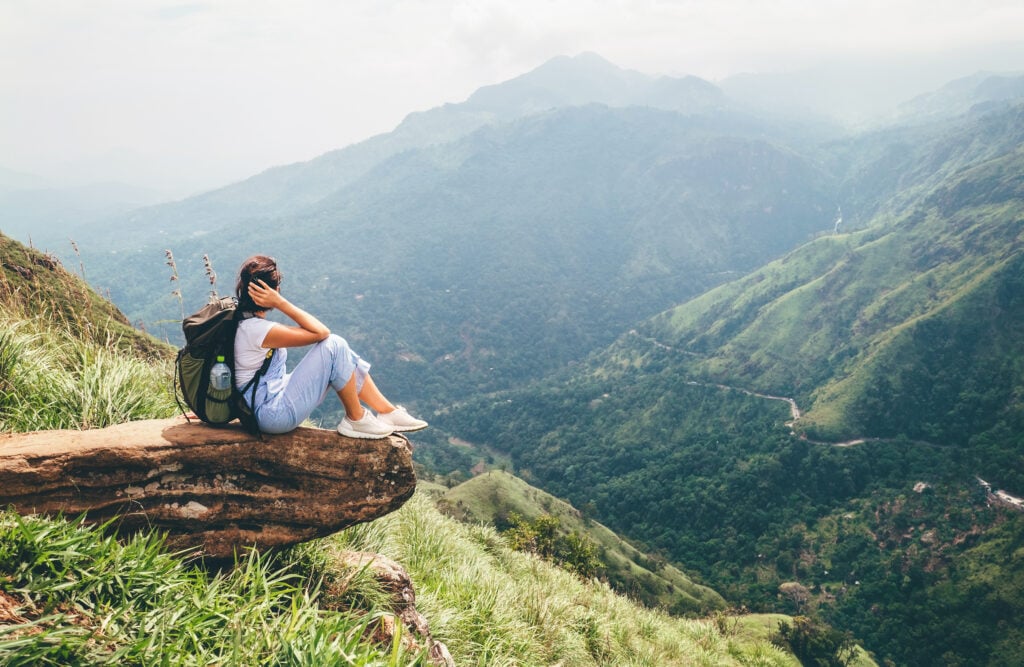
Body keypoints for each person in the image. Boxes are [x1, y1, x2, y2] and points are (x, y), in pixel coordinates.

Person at [232, 254, 427, 438]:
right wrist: (281, 303)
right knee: (334, 345)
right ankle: (355, 418)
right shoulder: (257, 330)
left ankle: (387, 412)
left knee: (343, 355)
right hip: (269, 414)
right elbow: (321, 332)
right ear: (274, 291)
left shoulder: (241, 321)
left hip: (264, 400)